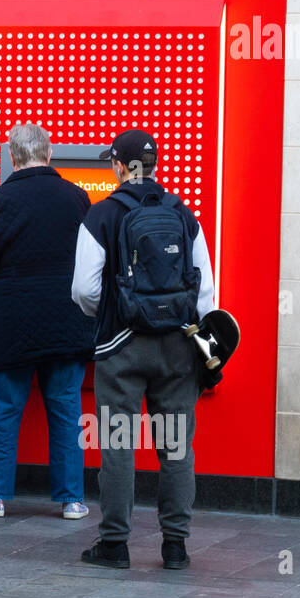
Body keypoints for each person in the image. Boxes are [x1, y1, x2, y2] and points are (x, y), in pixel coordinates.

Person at [71, 129, 214, 570]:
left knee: (118, 445)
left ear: (118, 165)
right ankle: (175, 546)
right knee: (175, 448)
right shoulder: (184, 215)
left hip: (121, 348)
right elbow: (205, 293)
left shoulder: (101, 216)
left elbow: (83, 290)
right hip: (177, 350)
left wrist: (116, 313)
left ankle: (114, 545)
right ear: (153, 165)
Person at [0, 123, 95, 520]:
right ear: (49, 153)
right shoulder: (77, 198)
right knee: (66, 411)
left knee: (4, 410)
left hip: (12, 323)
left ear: (11, 156)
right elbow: (92, 264)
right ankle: (72, 499)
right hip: (68, 324)